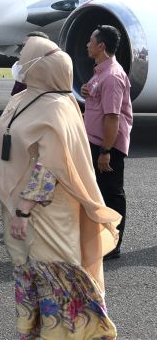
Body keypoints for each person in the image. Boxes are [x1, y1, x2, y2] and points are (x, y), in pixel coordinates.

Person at [0, 36, 120, 339]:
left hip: (47, 212)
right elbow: (3, 145)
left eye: (25, 58)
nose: (19, 64)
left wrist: (23, 210)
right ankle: (33, 332)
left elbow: (50, 168)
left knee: (54, 277)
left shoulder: (58, 107)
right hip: (15, 208)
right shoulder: (22, 98)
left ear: (42, 68)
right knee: (27, 273)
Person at [82, 25, 133, 260]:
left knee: (111, 193)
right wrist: (89, 92)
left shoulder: (112, 75)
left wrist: (106, 151)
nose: (87, 44)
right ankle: (101, 238)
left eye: (91, 40)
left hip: (106, 145)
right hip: (95, 141)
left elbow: (113, 117)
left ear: (101, 45)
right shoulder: (100, 71)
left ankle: (113, 245)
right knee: (98, 192)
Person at [10, 31, 50, 96]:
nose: (23, 49)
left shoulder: (50, 78)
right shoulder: (25, 70)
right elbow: (16, 96)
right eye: (23, 45)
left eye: (28, 45)